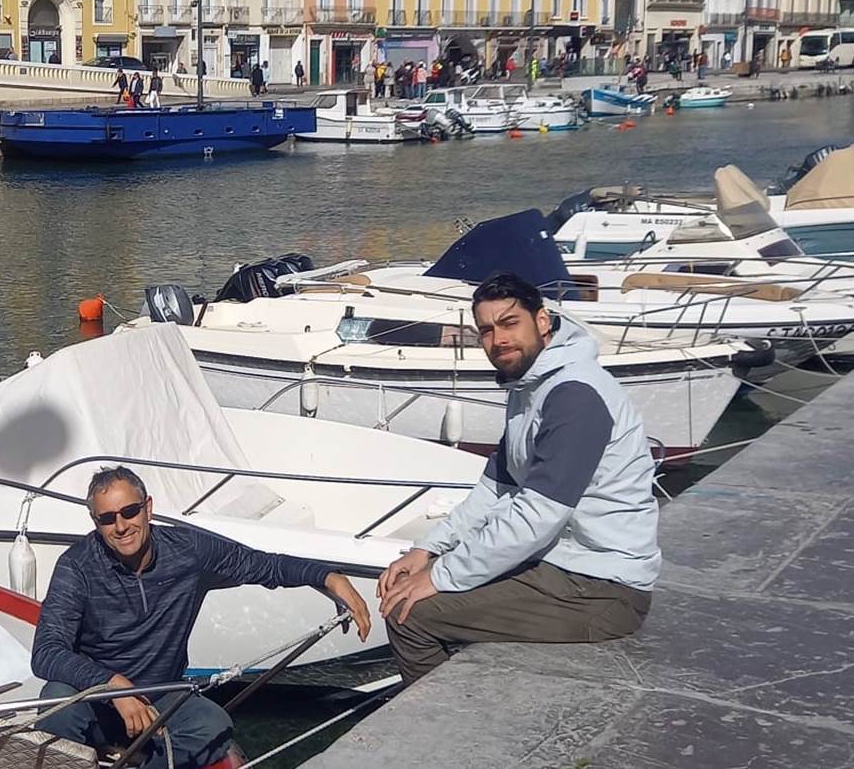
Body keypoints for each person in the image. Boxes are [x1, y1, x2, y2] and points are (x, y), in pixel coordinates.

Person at [376, 273, 659, 683]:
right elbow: (497, 489)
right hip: (563, 566)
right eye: (487, 331)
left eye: (510, 324)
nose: (499, 340)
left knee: (411, 615)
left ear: (542, 321)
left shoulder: (573, 395)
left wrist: (440, 576)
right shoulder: (532, 387)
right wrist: (428, 551)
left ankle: (444, 731)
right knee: (428, 579)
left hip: (602, 588)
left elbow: (539, 515)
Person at [34, 467, 371, 769]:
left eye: (130, 511)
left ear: (148, 508)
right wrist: (115, 686)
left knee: (213, 725)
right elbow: (47, 651)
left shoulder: (189, 551)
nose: (121, 526)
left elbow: (261, 564)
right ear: (96, 523)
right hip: (96, 698)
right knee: (57, 704)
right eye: (107, 518)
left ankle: (144, 759)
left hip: (160, 695)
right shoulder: (76, 567)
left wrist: (328, 576)